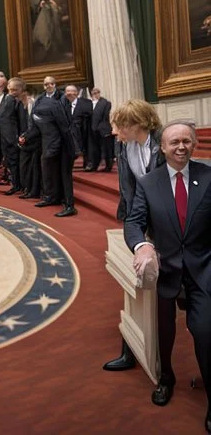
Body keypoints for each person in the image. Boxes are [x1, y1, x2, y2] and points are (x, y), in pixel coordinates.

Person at [124, 122, 211, 426]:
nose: (181, 147)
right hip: (165, 271)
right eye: (174, 142)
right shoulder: (149, 183)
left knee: (205, 333)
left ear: (194, 144)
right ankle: (166, 378)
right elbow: (133, 222)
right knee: (164, 332)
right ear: (162, 147)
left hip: (203, 271)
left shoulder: (209, 177)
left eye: (187, 141)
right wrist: (142, 246)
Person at [103, 98, 164, 374]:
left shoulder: (161, 142)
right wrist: (131, 222)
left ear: (136, 123)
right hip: (139, 218)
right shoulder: (124, 146)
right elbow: (128, 186)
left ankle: (158, 358)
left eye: (120, 126)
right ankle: (130, 350)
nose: (115, 132)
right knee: (133, 280)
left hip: (167, 222)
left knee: (162, 290)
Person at [20, 76, 77, 216]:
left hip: (63, 143)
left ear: (55, 84)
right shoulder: (40, 100)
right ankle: (51, 197)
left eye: (51, 83)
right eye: (46, 84)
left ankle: (69, 205)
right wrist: (26, 136)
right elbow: (34, 123)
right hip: (47, 141)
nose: (48, 86)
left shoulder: (62, 99)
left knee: (64, 174)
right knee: (49, 171)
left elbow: (66, 125)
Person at [0, 77, 28, 195]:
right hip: (4, 137)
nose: (11, 92)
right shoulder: (7, 99)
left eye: (14, 90)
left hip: (13, 139)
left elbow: (22, 123)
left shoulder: (18, 102)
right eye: (10, 89)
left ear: (19, 90)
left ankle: (18, 185)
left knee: (15, 163)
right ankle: (15, 184)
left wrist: (19, 138)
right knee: (10, 162)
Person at [87, 88, 114, 171]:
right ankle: (94, 164)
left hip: (102, 129)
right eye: (93, 93)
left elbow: (104, 117)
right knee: (95, 148)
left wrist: (98, 127)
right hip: (92, 130)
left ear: (99, 93)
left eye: (97, 93)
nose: (95, 94)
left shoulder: (106, 103)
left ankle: (108, 165)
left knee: (106, 148)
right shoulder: (89, 104)